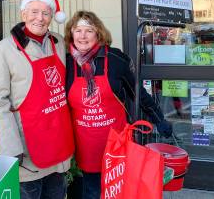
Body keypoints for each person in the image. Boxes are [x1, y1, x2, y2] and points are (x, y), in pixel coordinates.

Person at [65, 10, 172, 199]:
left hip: (117, 141)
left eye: (88, 30)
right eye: (77, 30)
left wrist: (159, 119)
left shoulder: (115, 60)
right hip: (86, 144)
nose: (83, 36)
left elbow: (137, 94)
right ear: (71, 33)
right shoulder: (66, 65)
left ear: (98, 33)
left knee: (118, 188)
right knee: (91, 190)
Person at [0, 0, 74, 199]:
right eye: (34, 12)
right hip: (27, 152)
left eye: (45, 13)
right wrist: (10, 148)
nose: (40, 18)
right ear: (23, 14)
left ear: (52, 17)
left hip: (58, 145)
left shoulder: (59, 43)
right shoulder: (3, 51)